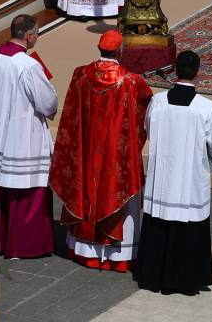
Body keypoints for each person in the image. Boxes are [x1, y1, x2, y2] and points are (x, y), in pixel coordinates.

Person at [49, 29, 152, 272]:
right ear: (119, 50)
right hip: (116, 155)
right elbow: (145, 113)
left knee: (85, 188)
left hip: (86, 151)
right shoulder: (131, 81)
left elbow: (71, 115)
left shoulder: (81, 75)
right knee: (115, 191)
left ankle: (84, 251)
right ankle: (118, 257)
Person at [136, 50, 212, 295]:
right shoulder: (206, 108)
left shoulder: (157, 102)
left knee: (159, 225)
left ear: (175, 71)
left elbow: (147, 128)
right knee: (187, 228)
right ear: (198, 73)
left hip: (162, 179)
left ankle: (152, 276)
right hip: (189, 180)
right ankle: (185, 280)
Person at [0, 14, 58, 259]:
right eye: (37, 34)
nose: (36, 38)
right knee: (24, 188)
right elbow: (47, 103)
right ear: (29, 36)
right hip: (20, 136)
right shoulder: (28, 66)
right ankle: (22, 245)